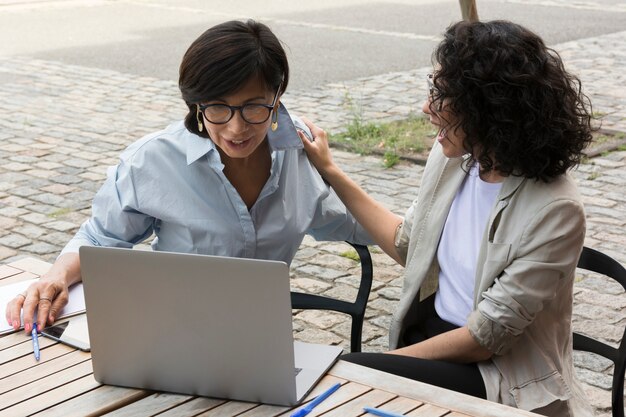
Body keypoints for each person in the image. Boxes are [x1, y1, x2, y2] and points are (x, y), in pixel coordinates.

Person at [298, 20, 594, 416]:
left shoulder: (556, 209)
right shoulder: (455, 159)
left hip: (497, 370)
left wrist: (393, 361)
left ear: (490, 108)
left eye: (441, 95)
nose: (426, 108)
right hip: (438, 335)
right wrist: (331, 172)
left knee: (347, 378)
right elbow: (409, 244)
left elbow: (487, 337)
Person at [6, 20, 369, 336]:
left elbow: (356, 223)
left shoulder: (301, 152)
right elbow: (102, 236)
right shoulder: (154, 159)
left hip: (263, 336)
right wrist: (55, 276)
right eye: (218, 108)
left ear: (277, 96)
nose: (236, 128)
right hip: (170, 329)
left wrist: (335, 175)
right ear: (197, 104)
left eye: (254, 106)